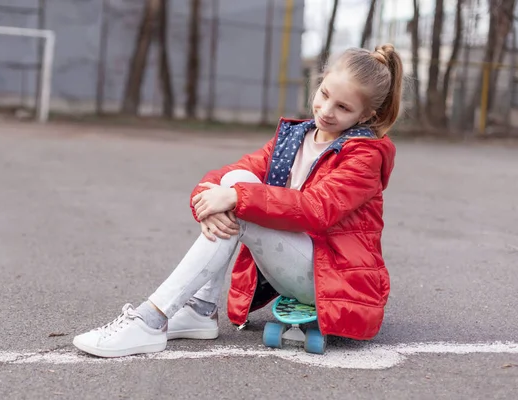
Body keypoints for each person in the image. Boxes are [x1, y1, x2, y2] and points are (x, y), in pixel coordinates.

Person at [73, 44, 401, 358]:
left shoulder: (364, 156)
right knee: (233, 183)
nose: (326, 111)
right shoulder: (296, 137)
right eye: (324, 94)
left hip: (333, 277)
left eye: (343, 107)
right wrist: (206, 198)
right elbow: (235, 173)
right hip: (299, 264)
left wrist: (234, 199)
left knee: (240, 202)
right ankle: (200, 310)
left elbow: (315, 210)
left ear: (366, 114)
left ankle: (150, 320)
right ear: (318, 84)